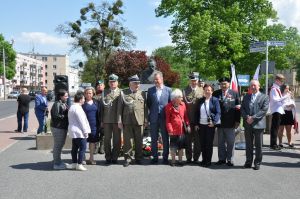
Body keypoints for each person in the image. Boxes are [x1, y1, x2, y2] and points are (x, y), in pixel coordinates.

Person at [117, 75, 148, 167]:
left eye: (138, 83)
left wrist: (146, 120)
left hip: (139, 120)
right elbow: (120, 109)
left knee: (139, 141)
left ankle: (139, 158)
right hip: (127, 120)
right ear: (130, 83)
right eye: (135, 83)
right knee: (128, 141)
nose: (137, 85)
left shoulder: (142, 93)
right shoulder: (123, 93)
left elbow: (145, 108)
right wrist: (119, 121)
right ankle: (128, 159)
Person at [241, 80, 269, 170]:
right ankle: (248, 161)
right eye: (251, 85)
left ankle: (257, 162)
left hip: (258, 124)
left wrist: (253, 117)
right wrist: (246, 117)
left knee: (258, 145)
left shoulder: (264, 97)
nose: (253, 87)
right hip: (248, 124)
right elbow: (242, 108)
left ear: (259, 86)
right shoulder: (246, 96)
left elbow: (264, 110)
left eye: (255, 85)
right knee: (248, 144)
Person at [213, 77, 241, 166]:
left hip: (231, 122)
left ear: (229, 84)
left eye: (225, 83)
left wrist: (237, 120)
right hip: (220, 123)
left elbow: (238, 108)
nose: (223, 85)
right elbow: (213, 108)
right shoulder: (216, 93)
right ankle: (221, 159)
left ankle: (230, 159)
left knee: (230, 142)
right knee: (220, 142)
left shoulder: (235, 93)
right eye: (221, 84)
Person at [147, 71, 172, 164]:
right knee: (154, 138)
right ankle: (155, 157)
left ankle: (165, 157)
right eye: (154, 79)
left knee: (165, 138)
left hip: (165, 118)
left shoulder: (168, 90)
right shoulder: (150, 90)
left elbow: (170, 104)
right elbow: (149, 104)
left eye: (157, 79)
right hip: (153, 118)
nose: (155, 81)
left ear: (161, 79)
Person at [195, 84, 221, 167]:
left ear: (212, 91)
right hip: (201, 125)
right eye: (206, 90)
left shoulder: (215, 100)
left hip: (210, 125)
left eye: (209, 90)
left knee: (209, 144)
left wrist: (214, 122)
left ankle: (208, 161)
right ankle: (204, 159)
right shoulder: (200, 100)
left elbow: (218, 112)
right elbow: (197, 113)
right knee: (202, 143)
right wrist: (196, 124)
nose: (207, 91)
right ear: (204, 91)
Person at [165, 89, 190, 166]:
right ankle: (173, 161)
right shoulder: (168, 106)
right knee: (173, 146)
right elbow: (168, 120)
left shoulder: (183, 105)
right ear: (175, 98)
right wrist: (170, 129)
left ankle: (180, 160)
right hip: (173, 130)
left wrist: (188, 124)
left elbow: (185, 117)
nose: (182, 99)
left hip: (182, 129)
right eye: (180, 97)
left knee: (181, 146)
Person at [182, 72, 203, 164]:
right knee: (188, 140)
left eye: (195, 80)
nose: (194, 82)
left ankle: (196, 157)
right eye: (192, 80)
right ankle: (189, 157)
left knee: (198, 140)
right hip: (188, 119)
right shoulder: (184, 90)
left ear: (197, 81)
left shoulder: (202, 90)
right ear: (189, 81)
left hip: (199, 120)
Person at [101, 74, 122, 164]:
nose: (112, 83)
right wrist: (102, 120)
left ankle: (115, 157)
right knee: (107, 140)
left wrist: (121, 120)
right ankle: (108, 157)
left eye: (114, 82)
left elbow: (122, 108)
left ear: (117, 83)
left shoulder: (121, 92)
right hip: (106, 120)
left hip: (117, 120)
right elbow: (101, 108)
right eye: (111, 82)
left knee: (117, 140)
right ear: (109, 83)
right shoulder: (104, 92)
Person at [68, 91, 91, 171]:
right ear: (80, 99)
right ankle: (79, 164)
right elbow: (82, 121)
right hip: (79, 131)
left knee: (74, 148)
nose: (84, 100)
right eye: (84, 99)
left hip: (74, 131)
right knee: (83, 148)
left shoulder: (72, 107)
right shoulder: (78, 108)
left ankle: (74, 163)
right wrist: (85, 131)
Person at [269, 74, 291, 150]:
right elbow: (275, 99)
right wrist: (285, 96)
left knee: (276, 128)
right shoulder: (274, 89)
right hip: (276, 110)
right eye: (281, 81)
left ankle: (274, 144)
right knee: (275, 128)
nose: (282, 82)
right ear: (277, 80)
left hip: (278, 110)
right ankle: (273, 145)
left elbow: (279, 99)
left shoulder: (277, 88)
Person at [50, 89, 69, 170]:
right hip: (58, 127)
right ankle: (57, 164)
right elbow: (56, 116)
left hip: (61, 127)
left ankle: (58, 161)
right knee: (58, 146)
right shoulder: (57, 104)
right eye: (65, 96)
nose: (67, 97)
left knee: (60, 145)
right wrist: (66, 116)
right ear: (61, 96)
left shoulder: (63, 103)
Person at [82, 87, 101, 165]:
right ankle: (82, 158)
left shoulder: (97, 102)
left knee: (92, 142)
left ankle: (91, 158)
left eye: (90, 93)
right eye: (86, 93)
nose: (88, 94)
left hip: (94, 125)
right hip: (84, 125)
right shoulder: (82, 103)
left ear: (93, 94)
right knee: (83, 142)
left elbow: (100, 113)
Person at [94, 80, 105, 154]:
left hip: (104, 117)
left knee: (103, 134)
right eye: (98, 85)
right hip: (95, 117)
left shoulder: (106, 95)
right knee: (95, 133)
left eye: (101, 85)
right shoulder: (93, 96)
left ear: (104, 86)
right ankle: (96, 147)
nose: (99, 86)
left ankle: (102, 147)